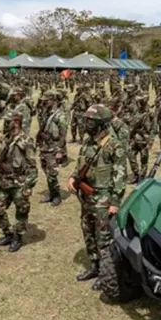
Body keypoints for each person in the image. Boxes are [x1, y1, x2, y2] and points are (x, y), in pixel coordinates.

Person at [67, 104, 126, 290]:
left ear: (101, 123)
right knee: (88, 232)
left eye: (90, 121)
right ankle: (93, 266)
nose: (86, 124)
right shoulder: (88, 142)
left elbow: (120, 176)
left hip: (103, 199)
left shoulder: (113, 146)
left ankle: (105, 272)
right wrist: (72, 177)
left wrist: (115, 202)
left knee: (103, 238)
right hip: (86, 196)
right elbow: (81, 165)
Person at [0, 110, 38, 252]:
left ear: (16, 122)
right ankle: (8, 234)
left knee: (21, 212)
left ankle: (18, 237)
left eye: (7, 121)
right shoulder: (7, 138)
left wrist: (28, 186)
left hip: (19, 183)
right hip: (5, 181)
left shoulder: (26, 141)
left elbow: (33, 168)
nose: (5, 124)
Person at [37, 90, 67, 206]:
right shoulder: (47, 112)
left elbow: (63, 134)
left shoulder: (60, 115)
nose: (45, 103)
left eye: (47, 101)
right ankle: (51, 193)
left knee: (52, 173)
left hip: (54, 148)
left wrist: (60, 150)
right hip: (45, 147)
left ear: (54, 100)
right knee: (46, 171)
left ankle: (56, 196)